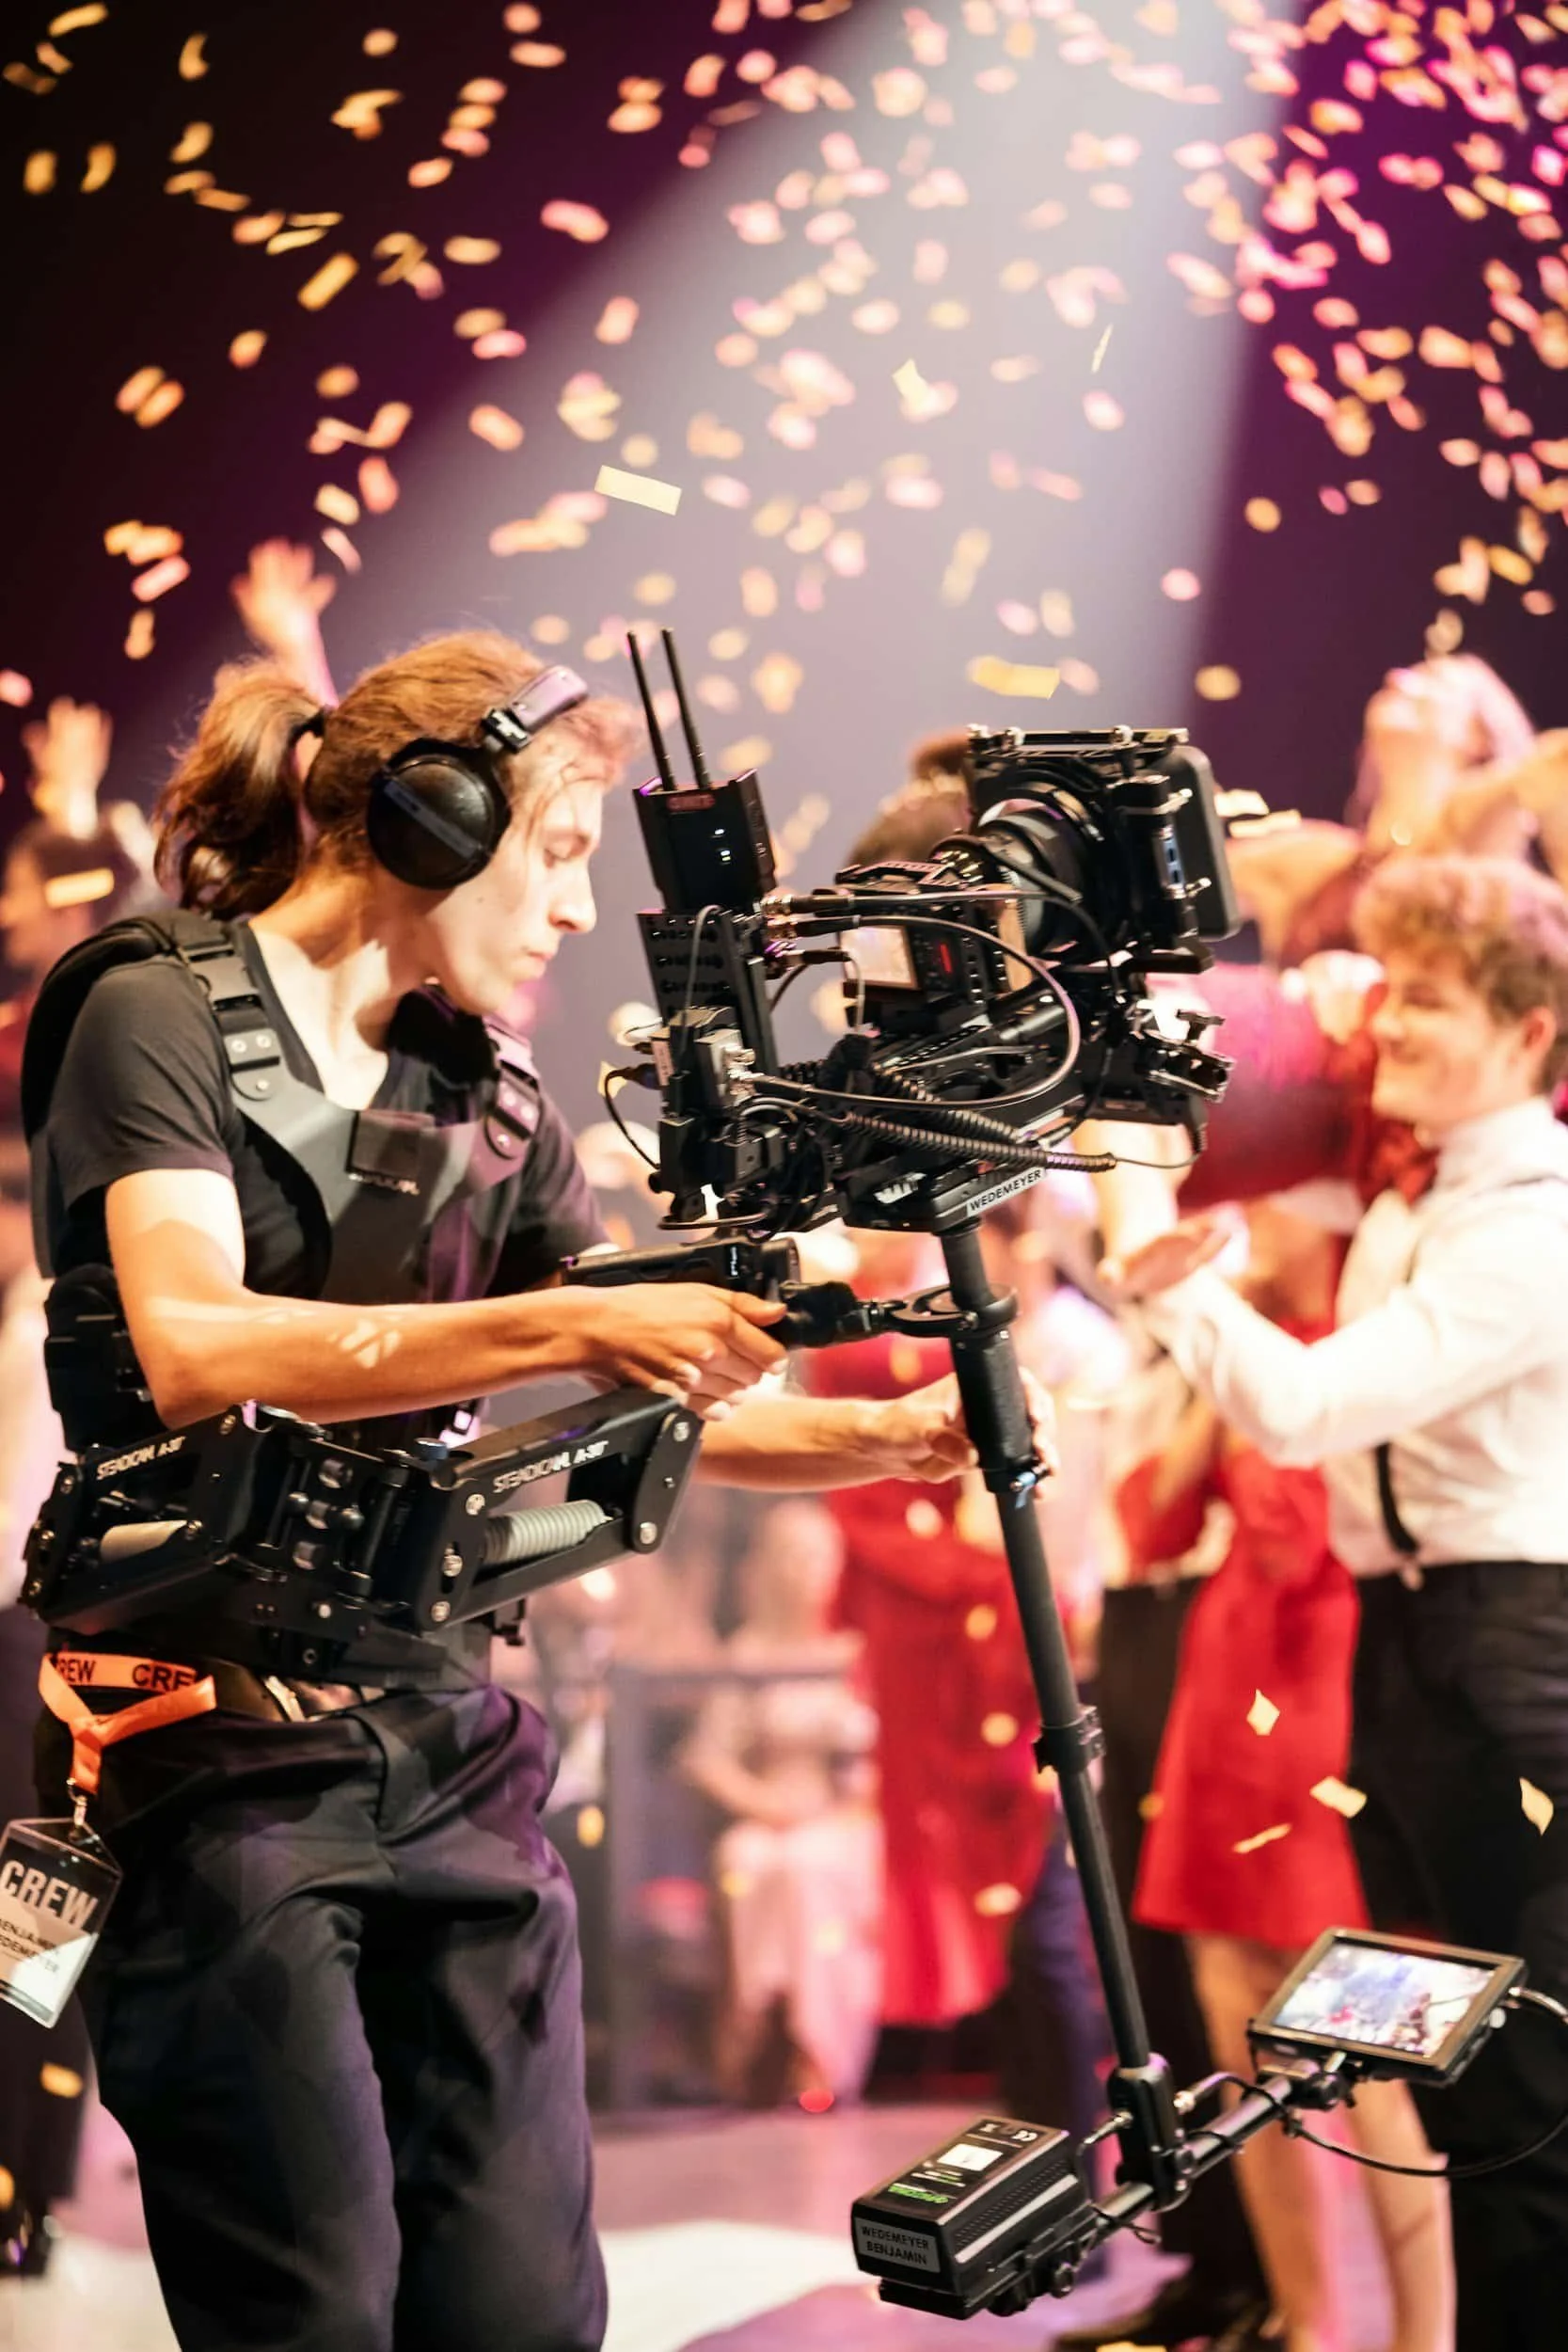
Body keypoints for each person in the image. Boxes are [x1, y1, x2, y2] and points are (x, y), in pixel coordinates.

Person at [22, 634, 1015, 2352]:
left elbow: (633, 1387)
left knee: (521, 2314)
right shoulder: (154, 1009)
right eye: (555, 853)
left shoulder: (486, 1097)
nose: (576, 910)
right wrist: (570, 1313)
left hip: (454, 1748)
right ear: (430, 818)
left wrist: (882, 1439)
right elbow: (194, 1342)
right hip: (207, 1765)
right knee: (312, 2310)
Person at [1099, 852, 1568, 2352]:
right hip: (1417, 1640)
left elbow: (1302, 1414)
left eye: (1429, 1001)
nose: (1391, 1027)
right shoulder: (1404, 1194)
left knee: (1527, 2075)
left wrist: (1165, 1286)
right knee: (1456, 2058)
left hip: (1516, 1644)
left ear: (1530, 1034)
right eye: (1392, 993)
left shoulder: (1534, 1225)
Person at [1132, 1202, 1451, 2352]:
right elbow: (1149, 1527)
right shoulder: (1233, 1345)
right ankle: (1302, 2315)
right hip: (1224, 1703)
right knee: (1239, 2034)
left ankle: (1424, 2332)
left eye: (1268, 1196)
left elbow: (1310, 1519)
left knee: (1364, 2041)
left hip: (1325, 1702)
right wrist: (1195, 1413)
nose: (1243, 1215)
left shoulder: (1368, 1343)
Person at [681, 1499, 881, 2106]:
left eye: (818, 1555)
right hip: (771, 1815)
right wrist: (763, 1803)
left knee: (807, 1870)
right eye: (792, 1556)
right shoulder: (748, 1652)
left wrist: (847, 1799)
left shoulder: (861, 1652)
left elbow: (895, 1758)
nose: (805, 1571)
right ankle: (755, 2028)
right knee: (746, 1861)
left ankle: (817, 2048)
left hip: (852, 1820)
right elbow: (705, 1756)